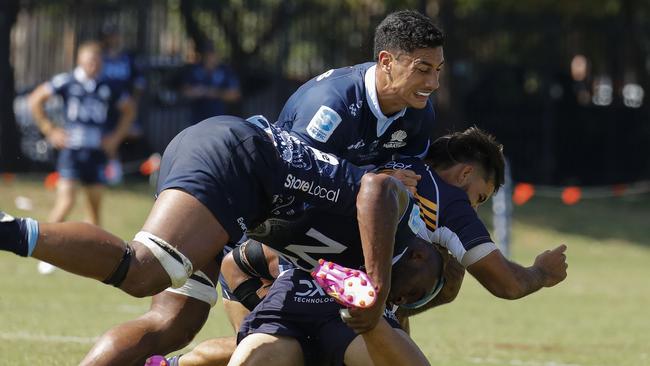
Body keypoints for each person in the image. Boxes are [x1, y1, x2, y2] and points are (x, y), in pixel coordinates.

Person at [0, 114, 416, 364]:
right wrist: (377, 291)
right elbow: (376, 192)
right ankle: (9, 229)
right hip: (234, 161)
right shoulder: (380, 189)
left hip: (238, 185)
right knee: (144, 270)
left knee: (172, 323)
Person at [146, 127, 568, 366]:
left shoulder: (368, 154)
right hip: (314, 296)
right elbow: (507, 283)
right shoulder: (443, 197)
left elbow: (239, 264)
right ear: (464, 174)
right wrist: (543, 272)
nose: (473, 208)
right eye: (479, 196)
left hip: (305, 287)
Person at [276, 10, 444, 166]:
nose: (433, 83)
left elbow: (412, 172)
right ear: (386, 62)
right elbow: (299, 170)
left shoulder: (420, 111)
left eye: (438, 69)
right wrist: (373, 180)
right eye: (422, 69)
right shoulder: (333, 103)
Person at [27, 40, 136, 274]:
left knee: (94, 207)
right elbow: (35, 99)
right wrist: (49, 128)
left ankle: (96, 258)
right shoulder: (67, 81)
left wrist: (116, 138)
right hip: (72, 152)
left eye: (97, 62)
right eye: (89, 62)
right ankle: (46, 251)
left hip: (95, 153)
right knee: (66, 200)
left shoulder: (108, 86)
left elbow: (129, 109)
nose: (93, 66)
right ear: (80, 61)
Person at [181, 44, 241, 123]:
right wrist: (198, 92)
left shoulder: (225, 71)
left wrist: (214, 92)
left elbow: (235, 95)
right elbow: (185, 92)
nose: (210, 58)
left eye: (212, 54)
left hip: (219, 120)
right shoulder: (195, 70)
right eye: (207, 55)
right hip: (197, 121)